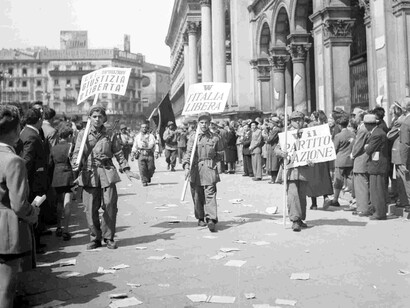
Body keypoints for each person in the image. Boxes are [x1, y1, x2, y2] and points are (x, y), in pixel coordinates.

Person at [71, 105, 139, 250]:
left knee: (110, 205)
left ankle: (108, 237)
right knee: (90, 208)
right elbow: (77, 152)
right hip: (89, 172)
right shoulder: (83, 134)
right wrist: (75, 163)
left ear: (104, 118)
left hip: (107, 172)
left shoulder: (110, 134)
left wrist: (127, 170)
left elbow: (118, 153)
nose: (97, 119)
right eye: (94, 116)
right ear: (89, 118)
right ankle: (95, 238)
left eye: (100, 116)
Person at [0, 105, 39, 308]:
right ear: (16, 131)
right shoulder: (13, 161)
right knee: (5, 290)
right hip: (5, 231)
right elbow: (19, 205)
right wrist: (34, 213)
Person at [182, 112, 223, 232]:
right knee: (197, 195)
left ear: (210, 123)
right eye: (202, 122)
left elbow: (220, 153)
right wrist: (186, 166)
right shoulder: (193, 137)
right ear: (198, 123)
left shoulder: (215, 137)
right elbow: (188, 154)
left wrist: (214, 162)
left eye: (206, 123)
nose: (204, 125)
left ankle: (211, 219)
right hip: (195, 170)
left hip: (209, 169)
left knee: (210, 194)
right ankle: (200, 217)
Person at [275, 111, 312, 232]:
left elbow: (314, 150)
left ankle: (300, 218)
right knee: (293, 196)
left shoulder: (308, 134)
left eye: (300, 119)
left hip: (303, 170)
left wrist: (313, 160)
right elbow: (276, 149)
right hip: (290, 170)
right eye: (295, 120)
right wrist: (282, 153)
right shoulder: (285, 134)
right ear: (290, 121)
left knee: (302, 196)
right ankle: (295, 219)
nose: (298, 122)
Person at [19, 108, 49, 253]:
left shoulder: (26, 132)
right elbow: (27, 161)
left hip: (34, 179)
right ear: (39, 120)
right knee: (35, 208)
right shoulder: (32, 136)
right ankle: (34, 244)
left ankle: (36, 240)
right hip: (35, 181)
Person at [50, 122, 75, 241]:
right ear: (69, 135)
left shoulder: (53, 148)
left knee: (59, 203)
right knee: (68, 202)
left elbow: (50, 164)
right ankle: (66, 229)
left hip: (56, 175)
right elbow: (75, 162)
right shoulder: (71, 146)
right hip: (68, 175)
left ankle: (58, 227)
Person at [363, 114, 388, 220]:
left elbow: (369, 150)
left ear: (367, 125)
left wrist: (366, 147)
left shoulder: (377, 134)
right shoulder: (376, 132)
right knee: (375, 190)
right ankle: (375, 211)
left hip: (378, 165)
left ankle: (379, 213)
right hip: (376, 164)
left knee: (378, 190)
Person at [327, 114, 355, 207]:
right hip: (350, 159)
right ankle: (353, 199)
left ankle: (335, 199)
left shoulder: (338, 136)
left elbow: (334, 148)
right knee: (350, 179)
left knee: (338, 180)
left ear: (339, 125)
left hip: (340, 160)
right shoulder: (353, 134)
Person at [131, 121, 158, 186]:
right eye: (143, 127)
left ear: (147, 128)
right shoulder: (138, 137)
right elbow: (135, 145)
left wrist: (156, 152)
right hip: (141, 154)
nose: (144, 129)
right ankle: (144, 181)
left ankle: (148, 176)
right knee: (142, 169)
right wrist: (132, 153)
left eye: (145, 127)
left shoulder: (151, 136)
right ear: (140, 128)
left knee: (151, 168)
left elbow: (155, 144)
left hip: (149, 154)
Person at [265, 117, 281, 183]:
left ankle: (275, 178)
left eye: (270, 123)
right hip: (271, 148)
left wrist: (266, 135)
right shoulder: (272, 130)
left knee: (274, 163)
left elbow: (270, 139)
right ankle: (273, 178)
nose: (269, 124)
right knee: (271, 163)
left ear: (274, 123)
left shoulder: (276, 130)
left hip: (274, 147)